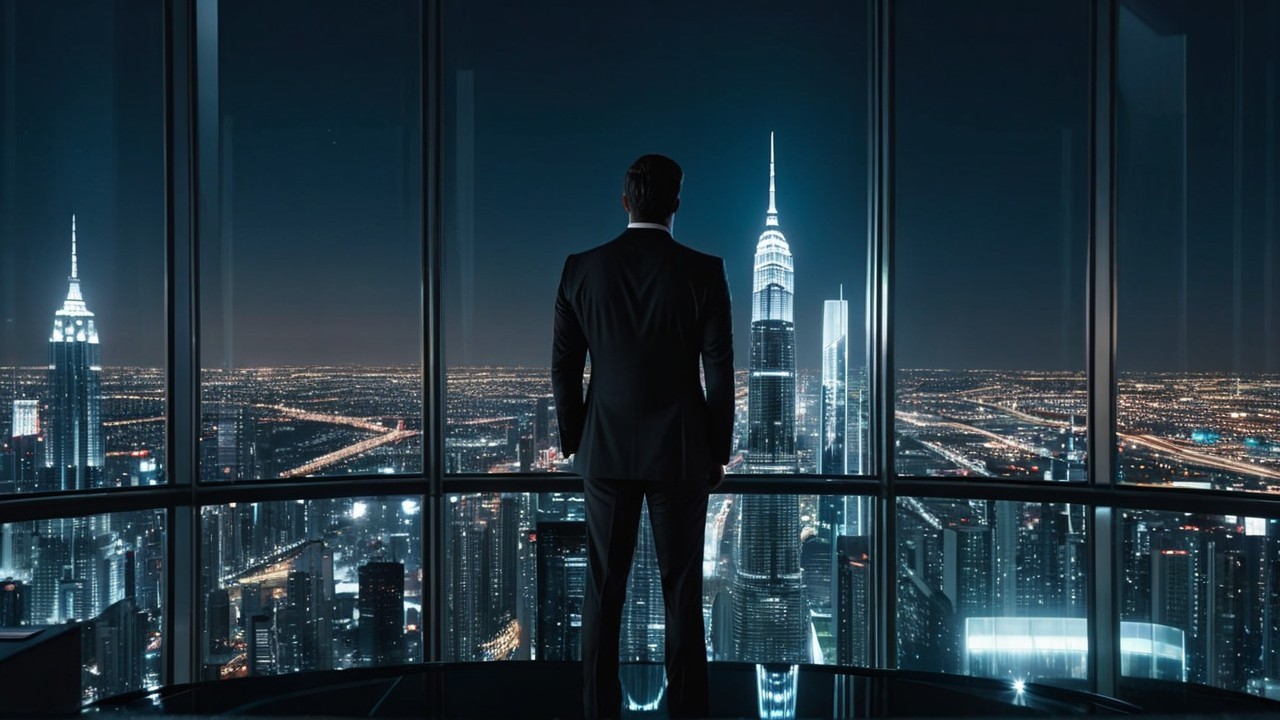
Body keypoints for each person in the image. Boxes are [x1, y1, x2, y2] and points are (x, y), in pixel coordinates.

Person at [552, 154, 734, 719]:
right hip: (681, 454)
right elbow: (720, 371)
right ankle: (687, 711)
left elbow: (564, 367)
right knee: (682, 594)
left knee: (604, 593)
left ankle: (597, 711)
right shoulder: (704, 271)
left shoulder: (581, 269)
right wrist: (717, 451)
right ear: (677, 203)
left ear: (624, 201)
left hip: (604, 452)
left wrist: (575, 440)